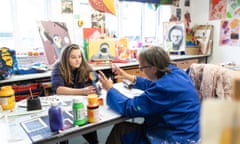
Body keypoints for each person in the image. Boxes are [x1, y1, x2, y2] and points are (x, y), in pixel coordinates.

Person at [98, 46, 200, 144]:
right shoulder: (177, 73)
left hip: (174, 138)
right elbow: (154, 84)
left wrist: (110, 89)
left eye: (142, 68)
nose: (141, 70)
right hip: (190, 133)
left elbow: (129, 107)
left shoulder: (162, 89)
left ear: (154, 68)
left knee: (120, 129)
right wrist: (128, 77)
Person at [51, 44, 99, 144]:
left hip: (80, 104)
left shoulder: (85, 66)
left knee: (89, 128)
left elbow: (95, 78)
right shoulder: (58, 67)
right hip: (63, 107)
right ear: (66, 58)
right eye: (73, 57)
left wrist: (98, 84)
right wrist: (82, 91)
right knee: (62, 133)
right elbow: (58, 89)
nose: (78, 60)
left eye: (79, 56)